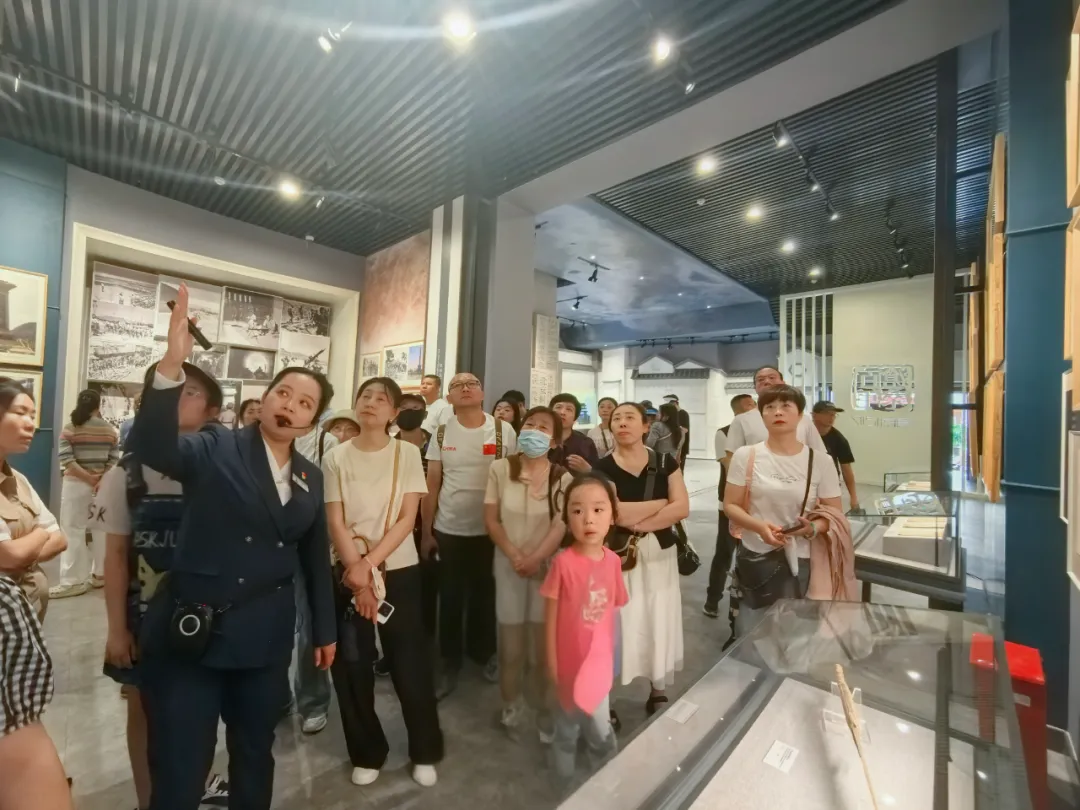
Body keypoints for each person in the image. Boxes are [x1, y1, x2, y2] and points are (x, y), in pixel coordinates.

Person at [125, 285, 337, 810]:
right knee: (181, 761)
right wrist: (172, 366)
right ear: (264, 399)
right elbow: (154, 446)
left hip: (265, 638)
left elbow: (314, 559)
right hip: (195, 630)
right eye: (283, 393)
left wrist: (324, 631)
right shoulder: (218, 444)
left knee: (255, 753)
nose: (290, 405)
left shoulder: (311, 476)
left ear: (311, 422)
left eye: (304, 403)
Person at [96, 362, 229, 810]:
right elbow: (116, 557)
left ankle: (195, 786)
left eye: (189, 392)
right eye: (165, 391)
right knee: (143, 707)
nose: (174, 399)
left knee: (201, 710)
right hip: (145, 616)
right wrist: (117, 630)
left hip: (207, 615)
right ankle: (147, 799)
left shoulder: (225, 470)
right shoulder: (126, 473)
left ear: (213, 410)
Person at [323, 377, 443, 788]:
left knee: (409, 663)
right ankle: (367, 751)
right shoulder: (335, 457)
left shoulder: (406, 453)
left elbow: (408, 518)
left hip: (398, 569)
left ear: (394, 412)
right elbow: (335, 519)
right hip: (347, 570)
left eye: (381, 399)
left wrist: (370, 566)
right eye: (365, 396)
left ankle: (425, 750)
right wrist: (357, 575)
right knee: (352, 665)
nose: (371, 403)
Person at [0, 378, 72, 810]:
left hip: (22, 632)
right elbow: (7, 554)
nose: (31, 423)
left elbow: (58, 536)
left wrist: (25, 547)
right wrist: (31, 542)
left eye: (33, 414)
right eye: (21, 412)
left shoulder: (19, 480)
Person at [422, 372, 517, 698]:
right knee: (449, 597)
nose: (465, 388)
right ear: (449, 397)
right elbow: (432, 483)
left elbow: (514, 478)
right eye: (457, 385)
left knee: (487, 595)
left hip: (492, 530)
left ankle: (484, 652)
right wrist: (426, 532)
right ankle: (449, 661)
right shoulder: (442, 431)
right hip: (449, 529)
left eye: (471, 383)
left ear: (482, 393)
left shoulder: (503, 431)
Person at [723, 385, 845, 637]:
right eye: (770, 407)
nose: (778, 412)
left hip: (803, 557)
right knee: (755, 629)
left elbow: (834, 514)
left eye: (786, 406)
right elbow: (731, 505)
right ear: (762, 415)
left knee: (798, 631)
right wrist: (759, 527)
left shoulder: (820, 461)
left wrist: (812, 527)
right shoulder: (746, 456)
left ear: (800, 416)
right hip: (756, 555)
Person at [484, 406, 572, 740]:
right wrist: (515, 556)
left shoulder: (562, 477)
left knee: (541, 651)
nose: (534, 431)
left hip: (546, 570)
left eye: (543, 428)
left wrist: (535, 558)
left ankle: (544, 709)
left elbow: (560, 524)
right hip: (508, 567)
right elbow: (491, 519)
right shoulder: (500, 468)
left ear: (554, 441)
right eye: (529, 424)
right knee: (511, 649)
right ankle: (511, 705)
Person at [595, 403, 688, 716]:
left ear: (646, 426)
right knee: (616, 621)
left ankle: (657, 689)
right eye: (616, 418)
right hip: (619, 556)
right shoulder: (602, 467)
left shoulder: (665, 462)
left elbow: (682, 508)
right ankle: (605, 696)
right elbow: (613, 513)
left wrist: (638, 523)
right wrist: (662, 504)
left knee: (657, 615)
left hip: (660, 553)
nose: (622, 423)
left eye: (629, 417)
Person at [542, 473, 626, 786]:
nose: (588, 519)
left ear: (613, 516)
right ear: (566, 519)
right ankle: (564, 782)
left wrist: (615, 661)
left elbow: (614, 614)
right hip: (568, 666)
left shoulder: (613, 562)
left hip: (598, 668)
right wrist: (553, 664)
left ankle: (606, 781)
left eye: (598, 509)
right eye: (577, 511)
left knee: (600, 727)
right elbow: (550, 620)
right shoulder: (563, 564)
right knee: (566, 726)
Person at [51, 388, 120, 599]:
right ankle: (100, 575)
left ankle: (72, 581)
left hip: (75, 485)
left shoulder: (70, 427)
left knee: (73, 530)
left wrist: (87, 478)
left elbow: (66, 459)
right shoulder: (110, 430)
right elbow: (114, 459)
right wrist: (100, 479)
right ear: (98, 406)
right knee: (100, 530)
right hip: (102, 487)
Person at [704, 393, 756, 622]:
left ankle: (747, 605)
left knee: (752, 555)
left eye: (755, 404)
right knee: (725, 553)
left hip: (758, 506)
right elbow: (730, 468)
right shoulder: (723, 433)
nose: (754, 408)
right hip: (730, 505)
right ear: (738, 411)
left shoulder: (764, 434)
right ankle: (712, 600)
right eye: (749, 405)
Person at [724, 366, 827, 467]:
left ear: (783, 383)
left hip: (799, 475)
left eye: (772, 377)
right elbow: (732, 458)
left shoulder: (803, 418)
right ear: (755, 388)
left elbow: (819, 454)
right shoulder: (741, 420)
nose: (766, 381)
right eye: (760, 380)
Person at [812, 401, 860, 511]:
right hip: (805, 482)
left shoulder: (839, 439)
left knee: (831, 515)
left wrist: (853, 497)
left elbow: (846, 469)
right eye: (827, 413)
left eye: (833, 414)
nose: (831, 417)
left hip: (829, 483)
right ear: (814, 415)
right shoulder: (801, 433)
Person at [548, 394, 599, 473]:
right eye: (558, 407)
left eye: (569, 409)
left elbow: (599, 475)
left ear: (575, 419)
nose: (562, 412)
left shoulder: (586, 443)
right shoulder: (541, 439)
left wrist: (588, 470)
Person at [662, 394, 691, 466]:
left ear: (674, 403)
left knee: (679, 468)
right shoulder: (668, 414)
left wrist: (675, 427)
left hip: (681, 447)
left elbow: (685, 430)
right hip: (669, 447)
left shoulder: (683, 414)